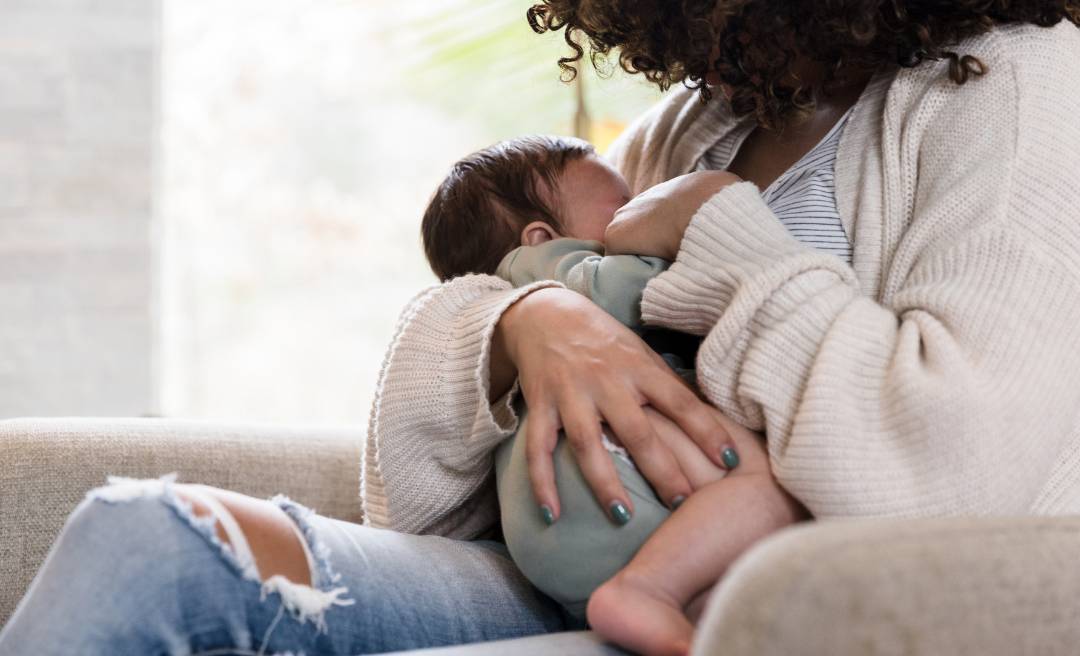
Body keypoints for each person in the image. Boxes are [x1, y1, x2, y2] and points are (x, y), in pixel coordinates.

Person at [4, 1, 1080, 654]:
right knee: (144, 540)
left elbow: (949, 472)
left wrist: (717, 232)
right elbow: (413, 494)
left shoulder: (1020, 85)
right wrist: (530, 316)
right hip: (571, 567)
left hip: (762, 599)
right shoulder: (707, 119)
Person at [419, 133, 804, 654]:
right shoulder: (548, 271)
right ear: (540, 237)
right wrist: (690, 223)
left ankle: (660, 602)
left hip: (549, 528)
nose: (637, 215)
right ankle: (644, 589)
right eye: (624, 208)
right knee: (776, 487)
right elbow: (638, 290)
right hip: (598, 481)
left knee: (718, 609)